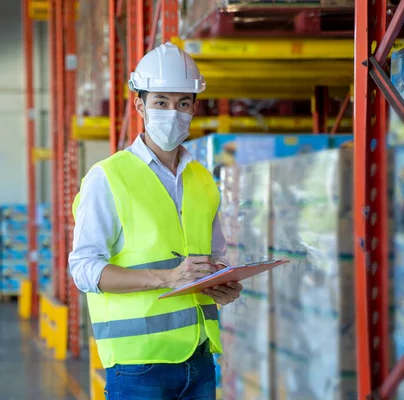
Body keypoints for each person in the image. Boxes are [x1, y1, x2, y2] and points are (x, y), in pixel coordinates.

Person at [69, 42, 243, 400]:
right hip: (137, 366)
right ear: (140, 106)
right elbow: (83, 269)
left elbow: (216, 255)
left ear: (194, 107)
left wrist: (223, 280)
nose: (172, 112)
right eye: (161, 102)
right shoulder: (108, 177)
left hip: (199, 357)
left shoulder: (203, 179)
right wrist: (167, 278)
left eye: (182, 103)